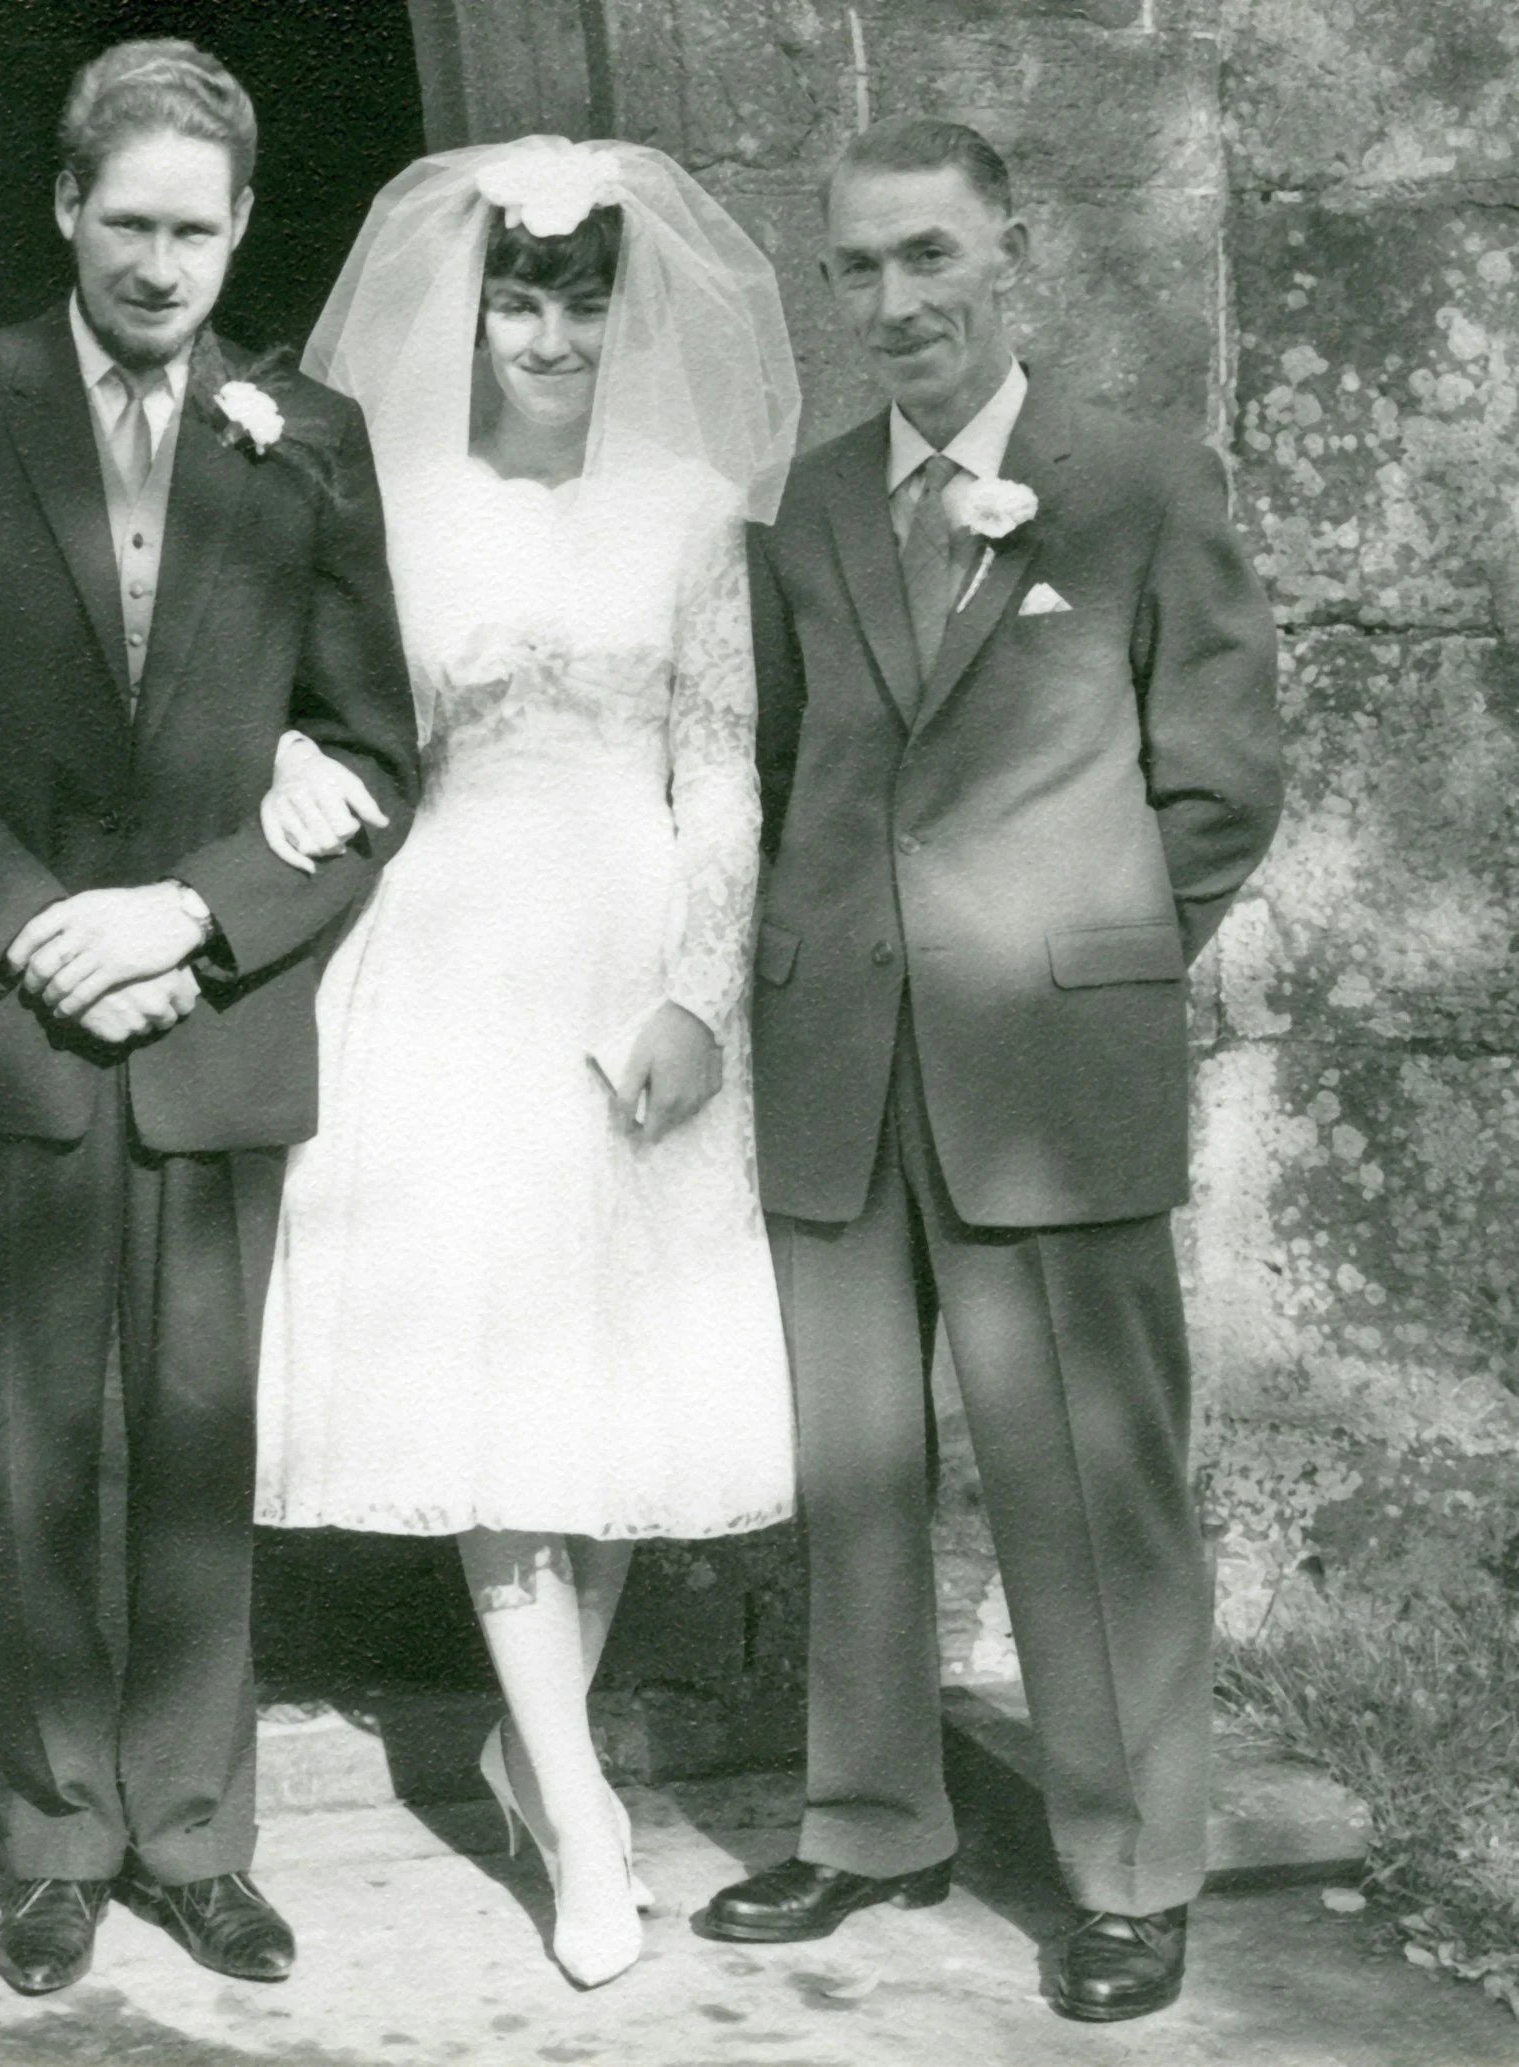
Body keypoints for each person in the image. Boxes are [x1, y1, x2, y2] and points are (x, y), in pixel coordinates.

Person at [0, 41, 419, 1999]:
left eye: (198, 227)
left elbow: (362, 748)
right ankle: (55, 1839)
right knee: (25, 1450)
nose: (161, 264)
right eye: (128, 220)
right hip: (11, 1026)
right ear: (63, 206)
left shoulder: (307, 431)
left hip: (211, 1015)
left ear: (242, 226)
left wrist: (196, 916)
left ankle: (194, 1837)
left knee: (191, 1441)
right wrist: (36, 929)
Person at [698, 119, 1283, 2023]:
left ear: (1010, 255)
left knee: (1089, 1483)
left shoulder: (1133, 483)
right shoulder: (799, 511)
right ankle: (873, 1817)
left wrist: (1081, 969)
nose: (894, 303)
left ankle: (1130, 1862)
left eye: (929, 257)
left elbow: (1216, 786)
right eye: (859, 268)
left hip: (1051, 1066)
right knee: (853, 1470)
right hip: (840, 1056)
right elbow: (783, 776)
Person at [251, 135, 804, 1989]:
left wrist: (699, 998)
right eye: (517, 292)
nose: (548, 332)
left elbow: (721, 767)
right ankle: (578, 1808)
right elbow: (319, 718)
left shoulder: (690, 506)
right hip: (454, 950)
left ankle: (524, 1738)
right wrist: (288, 775)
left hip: (628, 940)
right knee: (493, 1372)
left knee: (620, 1374)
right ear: (470, 306)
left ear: (623, 313)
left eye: (581, 296)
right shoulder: (391, 493)